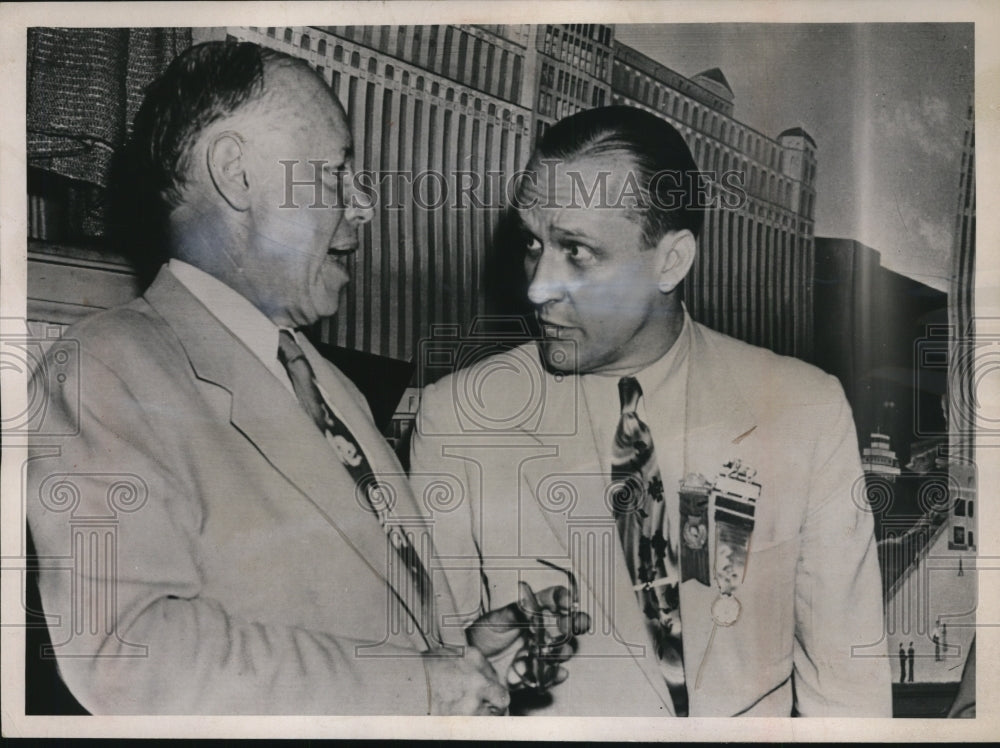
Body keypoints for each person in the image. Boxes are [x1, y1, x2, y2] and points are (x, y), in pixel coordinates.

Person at [25, 41, 509, 716]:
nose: (363, 206)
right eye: (335, 173)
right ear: (237, 173)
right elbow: (127, 655)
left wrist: (462, 656)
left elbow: (352, 618)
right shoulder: (103, 369)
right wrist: (418, 687)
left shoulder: (329, 384)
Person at [409, 106, 892, 716]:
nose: (537, 286)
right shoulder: (460, 418)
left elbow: (849, 694)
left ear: (671, 261)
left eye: (576, 251)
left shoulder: (806, 410)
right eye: (533, 243)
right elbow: (436, 681)